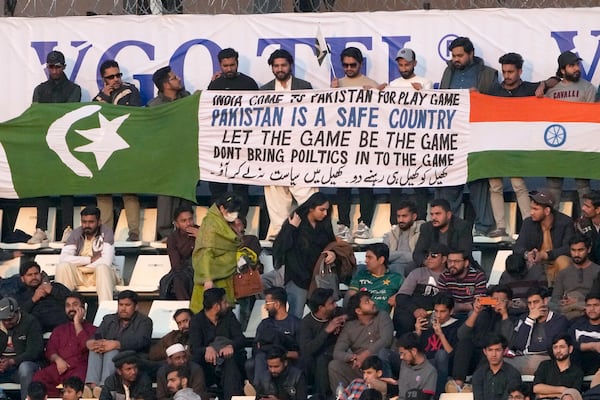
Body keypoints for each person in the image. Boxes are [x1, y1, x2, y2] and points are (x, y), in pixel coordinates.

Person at [438, 36, 497, 237]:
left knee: (478, 181)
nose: (456, 59)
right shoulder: (448, 72)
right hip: (451, 135)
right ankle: (449, 227)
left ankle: (483, 227)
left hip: (476, 133)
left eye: (460, 55)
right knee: (450, 182)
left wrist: (480, 96)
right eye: (454, 55)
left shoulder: (488, 74)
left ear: (471, 54)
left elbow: (497, 102)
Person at [260, 48, 316, 241]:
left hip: (300, 152)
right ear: (272, 68)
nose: (280, 69)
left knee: (308, 196)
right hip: (274, 154)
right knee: (276, 198)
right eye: (276, 66)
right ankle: (277, 236)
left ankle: (313, 232)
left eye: (283, 65)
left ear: (290, 65)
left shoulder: (304, 86)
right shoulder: (264, 90)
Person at [331, 46, 385, 241]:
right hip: (343, 143)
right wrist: (332, 94)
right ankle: (343, 224)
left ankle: (365, 224)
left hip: (365, 143)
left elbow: (381, 113)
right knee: (342, 185)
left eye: (353, 64)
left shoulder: (370, 83)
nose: (349, 68)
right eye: (345, 65)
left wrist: (376, 94)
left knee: (365, 185)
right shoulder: (337, 84)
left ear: (360, 64)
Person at [486, 52, 540, 237]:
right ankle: (500, 226)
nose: (507, 75)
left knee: (518, 184)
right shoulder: (493, 91)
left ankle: (527, 224)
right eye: (504, 72)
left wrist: (543, 87)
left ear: (520, 71)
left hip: (517, 145)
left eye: (510, 71)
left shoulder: (528, 89)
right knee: (495, 186)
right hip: (495, 145)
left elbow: (553, 80)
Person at [30, 50, 81, 244]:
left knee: (65, 185)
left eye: (57, 66)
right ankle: (40, 228)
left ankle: (67, 228)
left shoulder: (74, 88)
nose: (54, 70)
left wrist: (48, 117)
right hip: (45, 143)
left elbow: (68, 113)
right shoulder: (40, 89)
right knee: (42, 185)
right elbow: (36, 115)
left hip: (65, 141)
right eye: (51, 66)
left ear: (63, 67)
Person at [93, 59, 142, 241]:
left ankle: (134, 232)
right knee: (104, 191)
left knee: (129, 190)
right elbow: (93, 116)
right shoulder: (98, 98)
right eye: (111, 77)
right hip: (104, 150)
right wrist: (104, 97)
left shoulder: (131, 91)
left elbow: (134, 115)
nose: (116, 79)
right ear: (103, 79)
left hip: (125, 146)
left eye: (118, 75)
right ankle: (106, 234)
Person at [206, 48, 258, 215]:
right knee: (217, 189)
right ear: (220, 65)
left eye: (232, 65)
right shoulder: (215, 85)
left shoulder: (249, 83)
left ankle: (240, 222)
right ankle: (216, 223)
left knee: (241, 188)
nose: (229, 69)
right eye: (225, 65)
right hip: (219, 145)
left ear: (237, 63)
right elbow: (207, 111)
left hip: (242, 144)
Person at [148, 66, 196, 243]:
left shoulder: (188, 100)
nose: (179, 80)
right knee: (166, 197)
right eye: (174, 78)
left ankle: (188, 232)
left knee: (185, 196)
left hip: (186, 157)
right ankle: (167, 234)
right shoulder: (154, 106)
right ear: (166, 84)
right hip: (166, 159)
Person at [544, 51, 597, 208]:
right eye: (571, 65)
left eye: (577, 65)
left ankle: (586, 226)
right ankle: (552, 224)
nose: (576, 68)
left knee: (583, 186)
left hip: (580, 144)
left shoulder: (588, 88)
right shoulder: (551, 91)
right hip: (557, 144)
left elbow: (590, 118)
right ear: (562, 70)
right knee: (553, 187)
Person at [273, 192, 336, 318]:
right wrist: (291, 228)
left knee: (324, 314)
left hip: (318, 277)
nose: (324, 213)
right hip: (298, 277)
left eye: (326, 210)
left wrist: (332, 253)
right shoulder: (296, 221)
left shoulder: (324, 224)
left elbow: (331, 243)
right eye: (321, 209)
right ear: (311, 208)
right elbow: (280, 247)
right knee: (296, 314)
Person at [386, 50, 432, 223]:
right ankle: (393, 222)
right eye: (401, 64)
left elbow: (431, 109)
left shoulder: (425, 82)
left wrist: (423, 94)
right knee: (395, 182)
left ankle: (420, 219)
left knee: (420, 181)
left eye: (407, 64)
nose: (404, 68)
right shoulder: (393, 84)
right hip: (397, 142)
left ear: (414, 64)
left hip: (418, 141)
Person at [85, 290, 152, 391]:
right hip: (107, 353)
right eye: (121, 304)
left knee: (112, 351)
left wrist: (117, 344)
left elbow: (142, 341)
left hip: (133, 356)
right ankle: (91, 386)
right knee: (95, 349)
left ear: (136, 306)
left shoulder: (144, 321)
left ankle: (105, 386)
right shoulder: (108, 319)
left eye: (127, 305)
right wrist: (93, 342)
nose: (123, 308)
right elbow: (97, 335)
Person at [451, 285, 515, 390]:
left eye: (501, 300)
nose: (497, 303)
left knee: (491, 348)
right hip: (474, 354)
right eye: (494, 300)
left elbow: (507, 340)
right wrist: (476, 312)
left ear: (509, 302)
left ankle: (473, 386)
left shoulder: (511, 317)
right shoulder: (483, 314)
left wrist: (504, 314)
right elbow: (461, 335)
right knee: (464, 342)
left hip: (492, 355)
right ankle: (458, 384)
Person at [32, 293, 96, 397]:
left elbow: (86, 346)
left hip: (79, 368)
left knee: (75, 383)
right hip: (59, 367)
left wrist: (77, 324)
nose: (71, 308)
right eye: (68, 305)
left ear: (83, 308)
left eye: (75, 304)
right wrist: (57, 360)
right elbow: (50, 350)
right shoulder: (59, 330)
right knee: (39, 377)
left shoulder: (93, 329)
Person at [328, 292, 393, 392]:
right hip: (362, 369)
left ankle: (387, 393)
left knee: (383, 353)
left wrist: (365, 355)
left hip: (382, 364)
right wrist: (352, 357)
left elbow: (386, 340)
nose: (372, 302)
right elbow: (337, 352)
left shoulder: (382, 316)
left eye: (371, 300)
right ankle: (344, 397)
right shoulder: (349, 327)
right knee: (334, 365)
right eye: (367, 302)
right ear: (358, 310)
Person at [188, 288, 246, 400]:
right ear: (216, 306)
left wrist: (231, 346)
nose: (228, 305)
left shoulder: (229, 316)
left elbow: (241, 339)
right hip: (207, 362)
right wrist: (207, 349)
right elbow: (194, 348)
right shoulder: (197, 321)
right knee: (194, 364)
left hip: (230, 359)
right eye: (224, 302)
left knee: (230, 362)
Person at [190, 192, 243, 312]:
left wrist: (237, 230)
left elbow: (236, 243)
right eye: (231, 210)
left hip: (228, 276)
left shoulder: (227, 223)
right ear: (222, 208)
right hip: (212, 280)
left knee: (225, 313)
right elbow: (205, 253)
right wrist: (207, 279)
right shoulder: (211, 225)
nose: (234, 214)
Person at [55, 206, 119, 303]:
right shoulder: (76, 233)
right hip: (81, 275)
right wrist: (89, 260)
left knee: (102, 268)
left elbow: (106, 262)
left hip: (102, 275)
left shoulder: (106, 232)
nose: (87, 225)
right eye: (84, 222)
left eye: (91, 222)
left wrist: (80, 265)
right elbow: (63, 258)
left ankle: (106, 311)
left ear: (99, 221)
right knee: (62, 267)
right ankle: (64, 309)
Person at [513, 189, 575, 286]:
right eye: (531, 208)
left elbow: (569, 248)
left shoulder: (565, 222)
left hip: (556, 263)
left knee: (563, 261)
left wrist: (545, 255)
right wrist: (527, 254)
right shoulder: (528, 223)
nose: (531, 212)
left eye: (535, 209)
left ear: (547, 211)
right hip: (536, 265)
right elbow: (517, 247)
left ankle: (565, 294)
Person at [299, 288, 347, 397]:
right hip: (317, 357)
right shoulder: (306, 323)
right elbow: (306, 349)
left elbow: (354, 312)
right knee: (319, 360)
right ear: (321, 308)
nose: (335, 305)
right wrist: (326, 331)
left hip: (338, 351)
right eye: (331, 303)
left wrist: (345, 317)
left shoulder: (338, 312)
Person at [510, 286, 569, 375]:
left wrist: (526, 350)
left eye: (536, 302)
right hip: (523, 359)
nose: (532, 306)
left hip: (547, 359)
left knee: (534, 361)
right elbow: (518, 345)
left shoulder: (559, 320)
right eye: (529, 303)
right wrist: (530, 320)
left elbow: (551, 345)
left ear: (545, 301)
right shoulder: (524, 319)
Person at [392, 243, 447, 337]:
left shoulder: (450, 277)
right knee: (403, 317)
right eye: (427, 255)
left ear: (444, 259)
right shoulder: (417, 273)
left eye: (433, 255)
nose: (429, 258)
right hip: (413, 311)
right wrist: (415, 310)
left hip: (436, 312)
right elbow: (401, 297)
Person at [249, 287, 301, 385]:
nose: (265, 307)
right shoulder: (264, 324)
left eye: (267, 303)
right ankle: (261, 390)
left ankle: (261, 390)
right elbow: (256, 347)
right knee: (258, 358)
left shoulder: (296, 324)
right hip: (265, 358)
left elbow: (301, 352)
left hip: (286, 359)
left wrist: (283, 354)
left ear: (277, 304)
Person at [414, 295, 460, 397]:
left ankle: (437, 396)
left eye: (443, 312)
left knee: (441, 354)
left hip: (445, 365)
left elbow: (452, 354)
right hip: (425, 363)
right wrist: (417, 332)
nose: (438, 315)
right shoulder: (427, 323)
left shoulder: (457, 326)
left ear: (451, 311)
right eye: (436, 311)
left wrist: (440, 335)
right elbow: (414, 351)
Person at [0, 297, 43, 400]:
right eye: (3, 320)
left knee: (25, 368)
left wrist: (12, 361)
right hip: (3, 367)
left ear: (17, 312)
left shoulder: (30, 322)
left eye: (10, 319)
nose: (6, 323)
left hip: (23, 366)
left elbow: (34, 352)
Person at [413, 199, 474, 268]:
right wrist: (427, 262)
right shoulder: (426, 227)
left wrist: (442, 262)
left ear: (448, 215)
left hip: (454, 265)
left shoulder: (462, 227)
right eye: (432, 214)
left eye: (438, 214)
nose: (434, 218)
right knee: (410, 267)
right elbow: (418, 253)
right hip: (432, 265)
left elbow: (465, 253)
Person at [551, 234, 600, 319]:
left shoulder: (597, 271)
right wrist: (563, 302)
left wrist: (579, 303)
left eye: (580, 250)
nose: (576, 254)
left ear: (589, 249)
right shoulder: (563, 273)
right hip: (567, 315)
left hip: (591, 314)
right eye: (573, 250)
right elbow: (554, 301)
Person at [346, 243, 403, 313]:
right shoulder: (360, 275)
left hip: (383, 318)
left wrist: (398, 296)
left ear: (381, 260)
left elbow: (407, 292)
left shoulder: (396, 278)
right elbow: (351, 297)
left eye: (369, 257)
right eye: (366, 257)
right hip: (363, 316)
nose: (366, 261)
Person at [15, 261, 71, 332]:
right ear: (22, 279)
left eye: (36, 274)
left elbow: (74, 300)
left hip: (63, 327)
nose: (34, 277)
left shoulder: (56, 286)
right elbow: (18, 316)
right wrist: (33, 299)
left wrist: (52, 290)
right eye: (29, 275)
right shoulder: (20, 295)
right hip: (37, 332)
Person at [471, 333, 521, 400]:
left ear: (504, 351)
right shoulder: (478, 374)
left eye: (498, 350)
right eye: (490, 350)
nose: (493, 354)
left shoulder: (513, 374)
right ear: (485, 351)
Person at [437, 249, 487, 316]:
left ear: (466, 263)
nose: (452, 264)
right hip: (451, 312)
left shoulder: (478, 276)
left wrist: (460, 306)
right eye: (449, 261)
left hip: (473, 312)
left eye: (456, 261)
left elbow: (480, 302)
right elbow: (442, 301)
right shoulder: (444, 276)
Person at [533, 334, 584, 399]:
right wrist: (562, 389)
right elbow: (536, 388)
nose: (558, 350)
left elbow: (572, 395)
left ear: (570, 349)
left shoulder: (577, 372)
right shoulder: (545, 365)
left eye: (562, 347)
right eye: (555, 347)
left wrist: (544, 395)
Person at [162, 207, 197, 300]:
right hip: (183, 270)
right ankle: (184, 308)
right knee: (177, 279)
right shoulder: (173, 238)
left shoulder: (202, 232)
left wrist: (201, 237)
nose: (188, 223)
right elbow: (176, 264)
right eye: (184, 221)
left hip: (201, 268)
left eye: (190, 219)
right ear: (176, 224)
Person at [382, 200, 425, 276]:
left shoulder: (422, 231)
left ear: (414, 216)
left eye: (404, 216)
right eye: (398, 216)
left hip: (413, 268)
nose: (400, 220)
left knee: (397, 267)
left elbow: (418, 257)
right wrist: (405, 255)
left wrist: (394, 256)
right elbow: (383, 256)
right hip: (390, 266)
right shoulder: (390, 234)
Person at [499, 253, 547, 317]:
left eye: (520, 274)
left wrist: (527, 303)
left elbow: (544, 293)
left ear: (526, 264)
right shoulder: (505, 275)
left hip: (532, 309)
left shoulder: (537, 271)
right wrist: (507, 302)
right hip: (510, 311)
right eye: (514, 276)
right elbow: (500, 293)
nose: (517, 278)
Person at [396, 332, 437, 400]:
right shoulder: (404, 363)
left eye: (403, 353)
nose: (401, 357)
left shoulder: (430, 372)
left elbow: (426, 397)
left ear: (414, 351)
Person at [569, 293, 600, 375]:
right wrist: (592, 346)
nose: (592, 309)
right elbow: (568, 343)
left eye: (596, 305)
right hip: (578, 364)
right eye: (589, 305)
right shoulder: (576, 323)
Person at [576, 191, 600, 264]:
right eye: (584, 205)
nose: (583, 208)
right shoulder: (581, 224)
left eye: (587, 206)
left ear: (598, 210)